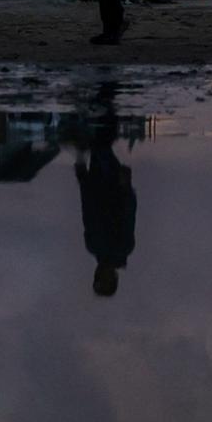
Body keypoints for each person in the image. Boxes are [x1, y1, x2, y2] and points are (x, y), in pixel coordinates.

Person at [76, 123, 137, 297]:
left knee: (99, 142)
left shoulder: (93, 246)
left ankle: (102, 111)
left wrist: (82, 176)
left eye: (97, 278)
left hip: (96, 183)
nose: (99, 274)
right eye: (103, 278)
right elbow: (129, 215)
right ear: (113, 277)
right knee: (101, 141)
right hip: (113, 186)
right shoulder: (123, 247)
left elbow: (87, 211)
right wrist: (126, 187)